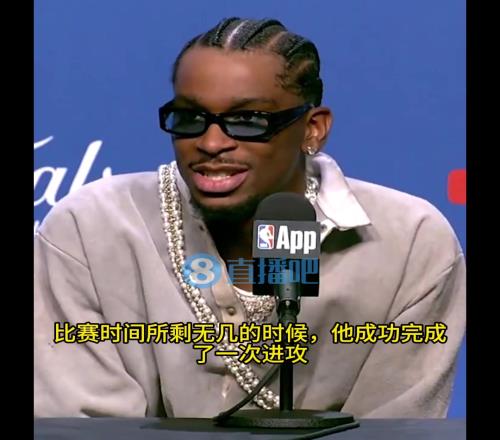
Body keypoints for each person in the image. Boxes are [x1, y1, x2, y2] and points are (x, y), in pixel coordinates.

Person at [34, 17, 466, 418]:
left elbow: (392, 430)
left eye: (247, 121)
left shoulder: (410, 243)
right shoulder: (89, 229)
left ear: (313, 128)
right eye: (190, 118)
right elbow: (82, 426)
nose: (211, 143)